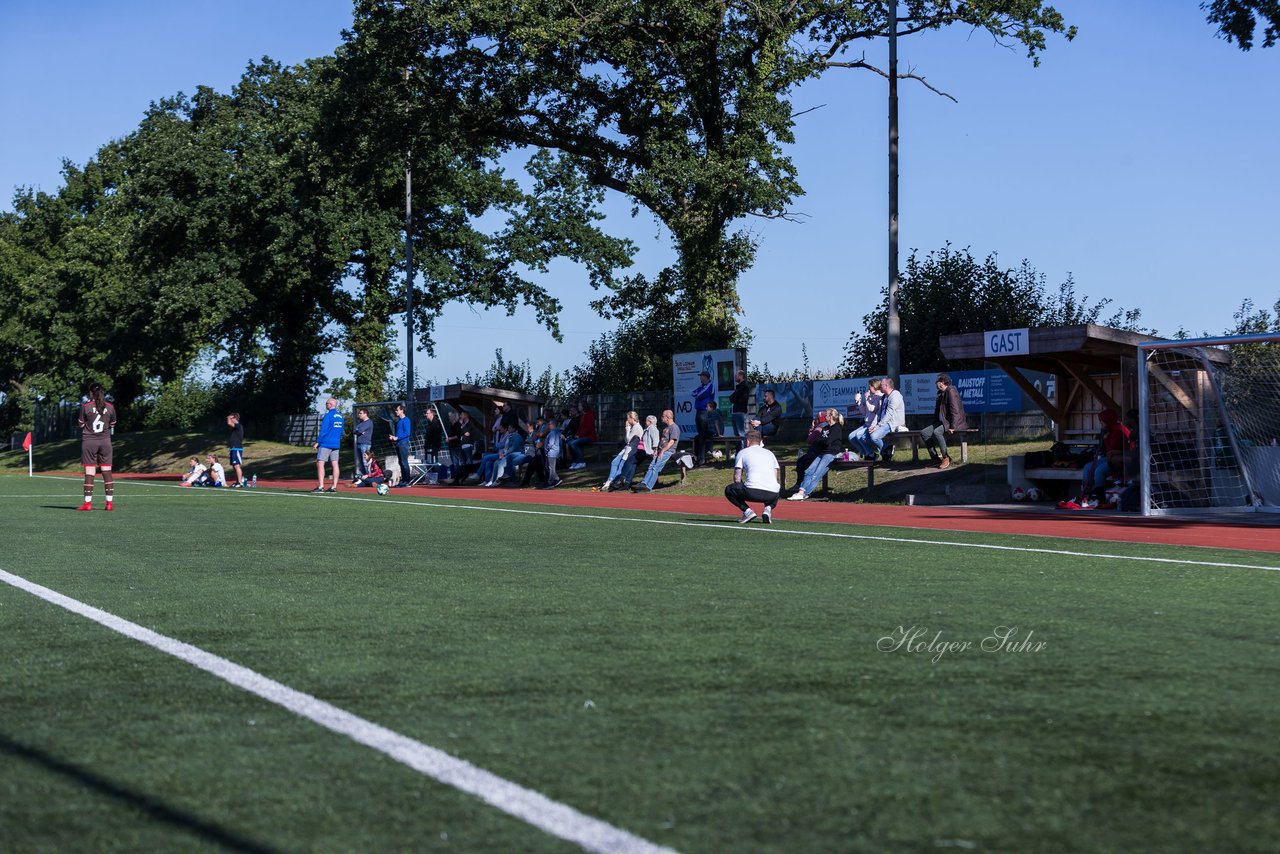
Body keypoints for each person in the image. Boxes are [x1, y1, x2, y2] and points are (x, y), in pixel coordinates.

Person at [77, 382, 117, 511]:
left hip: (89, 442)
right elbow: (113, 424)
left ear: (90, 392)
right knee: (107, 472)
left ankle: (87, 503)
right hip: (105, 442)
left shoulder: (86, 406)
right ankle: (109, 503)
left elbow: (81, 424)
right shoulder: (110, 407)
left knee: (90, 472)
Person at [788, 409, 845, 501]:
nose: (825, 416)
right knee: (808, 471)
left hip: (830, 454)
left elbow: (827, 442)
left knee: (816, 474)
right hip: (822, 452)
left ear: (830, 416)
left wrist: (821, 441)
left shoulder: (837, 427)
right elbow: (817, 440)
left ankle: (804, 493)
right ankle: (801, 492)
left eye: (826, 415)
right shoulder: (826, 428)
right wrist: (821, 441)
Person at [725, 430, 781, 523]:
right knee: (776, 487)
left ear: (747, 441)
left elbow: (737, 478)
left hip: (752, 492)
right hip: (772, 495)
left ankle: (747, 511)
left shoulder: (743, 452)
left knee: (729, 490)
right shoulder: (770, 454)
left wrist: (741, 487)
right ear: (760, 441)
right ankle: (768, 509)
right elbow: (775, 477)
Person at [849, 376, 903, 462]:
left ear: (886, 386)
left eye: (881, 385)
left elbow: (889, 414)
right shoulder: (884, 397)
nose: (879, 387)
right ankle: (883, 452)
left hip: (893, 422)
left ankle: (884, 450)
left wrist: (877, 426)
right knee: (859, 436)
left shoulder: (895, 395)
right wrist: (874, 425)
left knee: (873, 436)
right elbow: (878, 414)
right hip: (883, 422)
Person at [921, 373, 968, 469]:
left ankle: (946, 457)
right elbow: (937, 411)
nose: (936, 385)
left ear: (942, 382)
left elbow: (955, 410)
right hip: (943, 422)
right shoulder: (940, 393)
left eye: (937, 382)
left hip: (954, 422)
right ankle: (935, 459)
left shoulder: (951, 390)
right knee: (924, 433)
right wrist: (934, 423)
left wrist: (953, 426)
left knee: (937, 432)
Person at [634, 409, 681, 492]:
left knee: (656, 467)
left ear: (668, 417)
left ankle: (648, 486)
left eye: (663, 416)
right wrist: (657, 450)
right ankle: (644, 483)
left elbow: (671, 442)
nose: (661, 418)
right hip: (660, 450)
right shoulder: (666, 428)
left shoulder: (674, 427)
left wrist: (663, 451)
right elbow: (662, 441)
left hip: (668, 451)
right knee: (651, 466)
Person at [601, 410, 643, 491]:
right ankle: (610, 480)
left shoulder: (637, 427)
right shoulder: (633, 427)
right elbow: (626, 440)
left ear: (632, 418)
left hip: (630, 450)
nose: (627, 420)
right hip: (626, 449)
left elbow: (628, 440)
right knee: (614, 462)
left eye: (628, 418)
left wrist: (627, 429)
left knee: (621, 466)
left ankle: (614, 482)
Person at [615, 414, 659, 490]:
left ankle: (622, 478)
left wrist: (654, 450)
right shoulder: (648, 428)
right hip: (641, 449)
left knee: (629, 461)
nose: (645, 422)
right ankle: (627, 483)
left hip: (645, 451)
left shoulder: (652, 428)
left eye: (647, 420)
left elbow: (656, 440)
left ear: (650, 421)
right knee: (633, 464)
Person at [846, 379, 885, 458]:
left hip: (874, 424)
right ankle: (867, 453)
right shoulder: (871, 396)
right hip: (866, 424)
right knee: (851, 437)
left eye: (870, 386)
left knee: (859, 435)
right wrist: (859, 403)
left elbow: (872, 409)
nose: (868, 388)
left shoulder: (880, 397)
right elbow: (865, 412)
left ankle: (872, 453)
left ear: (874, 386)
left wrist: (867, 399)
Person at [312, 397, 344, 493]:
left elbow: (324, 430)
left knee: (320, 463)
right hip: (336, 443)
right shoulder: (341, 416)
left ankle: (321, 486)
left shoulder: (328, 415)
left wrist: (318, 442)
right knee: (335, 463)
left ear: (330, 405)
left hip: (326, 443)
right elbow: (342, 431)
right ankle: (334, 487)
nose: (326, 405)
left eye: (327, 403)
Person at [568, 400, 597, 470]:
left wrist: (579, 436)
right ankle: (575, 462)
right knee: (569, 442)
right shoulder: (582, 416)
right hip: (582, 436)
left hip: (589, 437)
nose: (578, 407)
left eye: (579, 406)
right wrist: (576, 435)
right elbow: (580, 428)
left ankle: (581, 462)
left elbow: (589, 427)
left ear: (583, 406)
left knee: (573, 443)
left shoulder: (590, 414)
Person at [694, 400, 725, 465]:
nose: (706, 408)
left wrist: (719, 434)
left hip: (714, 433)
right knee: (696, 438)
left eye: (707, 407)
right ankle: (696, 457)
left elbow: (716, 424)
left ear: (711, 407)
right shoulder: (710, 413)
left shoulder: (715, 413)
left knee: (702, 438)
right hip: (710, 431)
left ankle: (701, 459)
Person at [691, 371, 715, 453]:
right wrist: (697, 394)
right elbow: (693, 393)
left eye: (701, 376)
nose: (700, 378)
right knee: (700, 432)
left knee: (704, 432)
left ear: (705, 377)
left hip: (705, 411)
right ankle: (702, 452)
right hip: (698, 411)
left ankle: (708, 450)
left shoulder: (710, 386)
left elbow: (700, 394)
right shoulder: (701, 386)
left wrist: (697, 394)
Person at [389, 403, 412, 487]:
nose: (396, 411)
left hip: (403, 443)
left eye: (397, 410)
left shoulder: (406, 420)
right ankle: (403, 480)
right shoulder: (399, 421)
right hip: (399, 443)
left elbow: (407, 433)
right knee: (401, 462)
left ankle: (407, 481)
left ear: (402, 410)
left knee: (404, 462)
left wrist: (397, 437)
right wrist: (394, 437)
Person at [538, 417, 564, 489]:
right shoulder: (557, 432)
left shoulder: (553, 432)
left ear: (553, 424)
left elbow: (551, 443)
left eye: (549, 424)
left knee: (551, 468)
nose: (548, 426)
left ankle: (553, 481)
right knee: (550, 467)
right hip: (554, 452)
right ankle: (555, 480)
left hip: (551, 453)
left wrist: (546, 450)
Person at [729, 370, 751, 447]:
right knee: (737, 435)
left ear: (741, 376)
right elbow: (731, 398)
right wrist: (734, 397)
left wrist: (734, 397)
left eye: (736, 375)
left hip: (740, 412)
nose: (735, 377)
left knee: (741, 434)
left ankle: (743, 451)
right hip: (736, 412)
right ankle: (739, 452)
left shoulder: (744, 386)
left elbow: (733, 397)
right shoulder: (739, 387)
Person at [352, 408, 373, 482]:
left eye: (360, 413)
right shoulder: (361, 423)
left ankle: (368, 476)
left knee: (365, 461)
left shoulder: (369, 422)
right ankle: (364, 478)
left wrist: (359, 431)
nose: (359, 414)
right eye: (359, 413)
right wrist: (359, 431)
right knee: (360, 462)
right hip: (359, 443)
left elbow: (359, 430)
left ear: (365, 414)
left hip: (365, 444)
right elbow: (355, 430)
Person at [226, 412, 247, 487]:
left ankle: (240, 483)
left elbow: (229, 423)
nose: (230, 420)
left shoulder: (238, 425)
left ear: (234, 418)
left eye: (232, 418)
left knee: (237, 465)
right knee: (234, 466)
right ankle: (237, 481)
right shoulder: (236, 427)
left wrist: (229, 417)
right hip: (233, 448)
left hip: (237, 448)